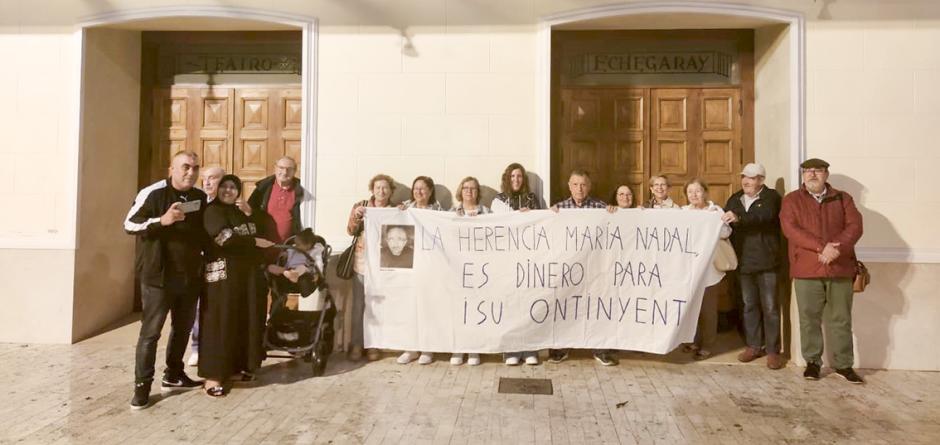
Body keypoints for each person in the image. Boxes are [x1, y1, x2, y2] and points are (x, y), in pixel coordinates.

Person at [124, 151, 207, 409]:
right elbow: (129, 224)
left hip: (188, 277)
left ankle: (173, 375)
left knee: (182, 329)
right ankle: (142, 388)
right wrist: (162, 220)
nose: (190, 172)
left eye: (194, 168)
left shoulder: (199, 197)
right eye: (185, 167)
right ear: (172, 168)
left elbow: (203, 233)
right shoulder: (154, 193)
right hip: (158, 278)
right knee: (150, 334)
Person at [780, 158, 864, 383]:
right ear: (803, 175)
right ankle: (813, 363)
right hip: (806, 268)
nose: (812, 175)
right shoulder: (791, 200)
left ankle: (844, 365)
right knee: (809, 319)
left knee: (841, 319)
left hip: (839, 267)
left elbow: (855, 226)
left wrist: (835, 248)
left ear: (826, 174)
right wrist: (821, 247)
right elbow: (790, 229)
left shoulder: (843, 198)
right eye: (808, 171)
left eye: (817, 170)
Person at [199, 175, 275, 397]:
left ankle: (233, 369)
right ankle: (212, 377)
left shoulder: (241, 212)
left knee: (239, 321)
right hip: (221, 278)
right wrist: (253, 243)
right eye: (225, 186)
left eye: (233, 187)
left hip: (244, 277)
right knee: (219, 323)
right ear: (217, 188)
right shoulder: (212, 211)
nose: (228, 191)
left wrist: (252, 216)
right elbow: (223, 237)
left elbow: (262, 230)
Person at [550, 169, 618, 366]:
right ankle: (561, 348)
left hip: (594, 269)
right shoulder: (559, 209)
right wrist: (549, 215)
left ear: (589, 187)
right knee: (566, 306)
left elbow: (616, 228)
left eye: (583, 184)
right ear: (569, 186)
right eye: (575, 184)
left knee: (596, 307)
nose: (579, 188)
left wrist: (615, 214)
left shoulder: (601, 207)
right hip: (569, 269)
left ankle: (600, 349)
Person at [722, 163, 785, 370]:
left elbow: (764, 217)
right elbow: (723, 220)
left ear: (761, 180)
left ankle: (773, 351)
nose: (746, 181)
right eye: (744, 177)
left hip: (767, 261)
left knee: (770, 308)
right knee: (749, 306)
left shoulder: (772, 198)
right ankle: (753, 346)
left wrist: (739, 218)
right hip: (744, 262)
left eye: (751, 177)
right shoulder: (735, 198)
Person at [493, 163, 542, 366]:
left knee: (529, 303)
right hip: (507, 259)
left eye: (519, 176)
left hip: (528, 257)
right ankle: (510, 349)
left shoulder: (532, 199)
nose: (516, 180)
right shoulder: (498, 200)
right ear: (507, 178)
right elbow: (496, 226)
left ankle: (529, 348)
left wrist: (529, 216)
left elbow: (541, 222)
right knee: (511, 303)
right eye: (512, 176)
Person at [346, 174, 395, 361]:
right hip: (362, 263)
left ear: (390, 191)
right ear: (372, 190)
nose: (381, 191)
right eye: (378, 188)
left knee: (378, 306)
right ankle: (357, 344)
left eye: (385, 188)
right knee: (358, 305)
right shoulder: (362, 205)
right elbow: (350, 230)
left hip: (383, 266)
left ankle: (374, 344)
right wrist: (357, 218)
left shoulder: (393, 209)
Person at [682, 179, 732, 360]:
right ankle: (693, 340)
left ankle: (708, 345)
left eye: (698, 191)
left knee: (708, 310)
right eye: (690, 192)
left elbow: (726, 233)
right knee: (691, 308)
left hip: (709, 270)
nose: (694, 195)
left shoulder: (715, 211)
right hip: (689, 270)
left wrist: (712, 223)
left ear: (705, 192)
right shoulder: (683, 212)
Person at [396, 176, 443, 366]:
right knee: (410, 308)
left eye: (423, 189)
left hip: (430, 266)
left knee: (428, 308)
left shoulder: (438, 211)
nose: (419, 192)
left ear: (430, 191)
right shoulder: (405, 208)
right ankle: (410, 348)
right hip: (409, 265)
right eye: (416, 188)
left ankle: (427, 348)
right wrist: (397, 213)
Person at [450, 176, 492, 366]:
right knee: (459, 309)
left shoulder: (487, 212)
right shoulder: (452, 212)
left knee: (477, 308)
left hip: (480, 269)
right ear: (461, 190)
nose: (469, 191)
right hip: (458, 268)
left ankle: (474, 349)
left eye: (473, 188)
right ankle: (458, 348)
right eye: (466, 188)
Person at [188, 166, 225, 368]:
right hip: (197, 261)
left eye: (212, 178)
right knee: (197, 307)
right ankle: (196, 347)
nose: (207, 183)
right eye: (204, 179)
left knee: (213, 306)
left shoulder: (230, 205)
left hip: (220, 263)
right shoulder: (198, 203)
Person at [247, 156, 309, 243]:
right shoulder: (262, 189)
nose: (285, 172)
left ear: (294, 171)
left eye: (289, 169)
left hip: (289, 246)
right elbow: (250, 212)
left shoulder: (302, 190)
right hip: (264, 245)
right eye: (281, 168)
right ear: (275, 168)